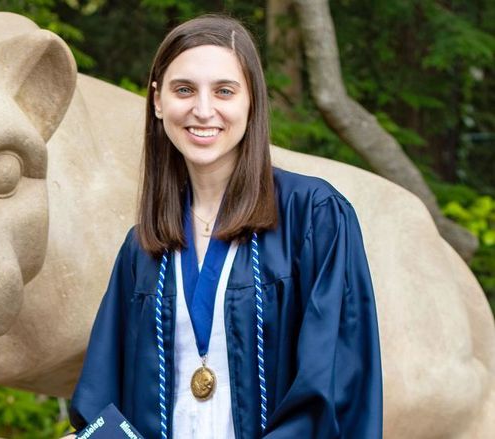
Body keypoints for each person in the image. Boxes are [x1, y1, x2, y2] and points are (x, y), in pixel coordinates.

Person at [69, 14, 382, 439]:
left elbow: (334, 389)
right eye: (184, 90)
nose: (202, 110)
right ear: (158, 102)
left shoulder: (314, 217)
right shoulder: (144, 248)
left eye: (224, 91)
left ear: (251, 100)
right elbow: (100, 404)